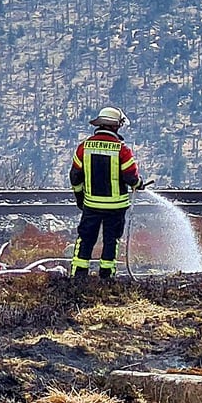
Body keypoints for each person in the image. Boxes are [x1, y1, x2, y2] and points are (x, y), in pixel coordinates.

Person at [69, 106, 145, 278]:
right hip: (116, 207)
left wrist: (80, 198)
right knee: (111, 241)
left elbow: (75, 176)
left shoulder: (84, 147)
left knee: (85, 239)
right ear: (115, 126)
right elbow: (131, 177)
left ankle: (78, 276)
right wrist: (139, 184)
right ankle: (106, 276)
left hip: (91, 205)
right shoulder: (122, 150)